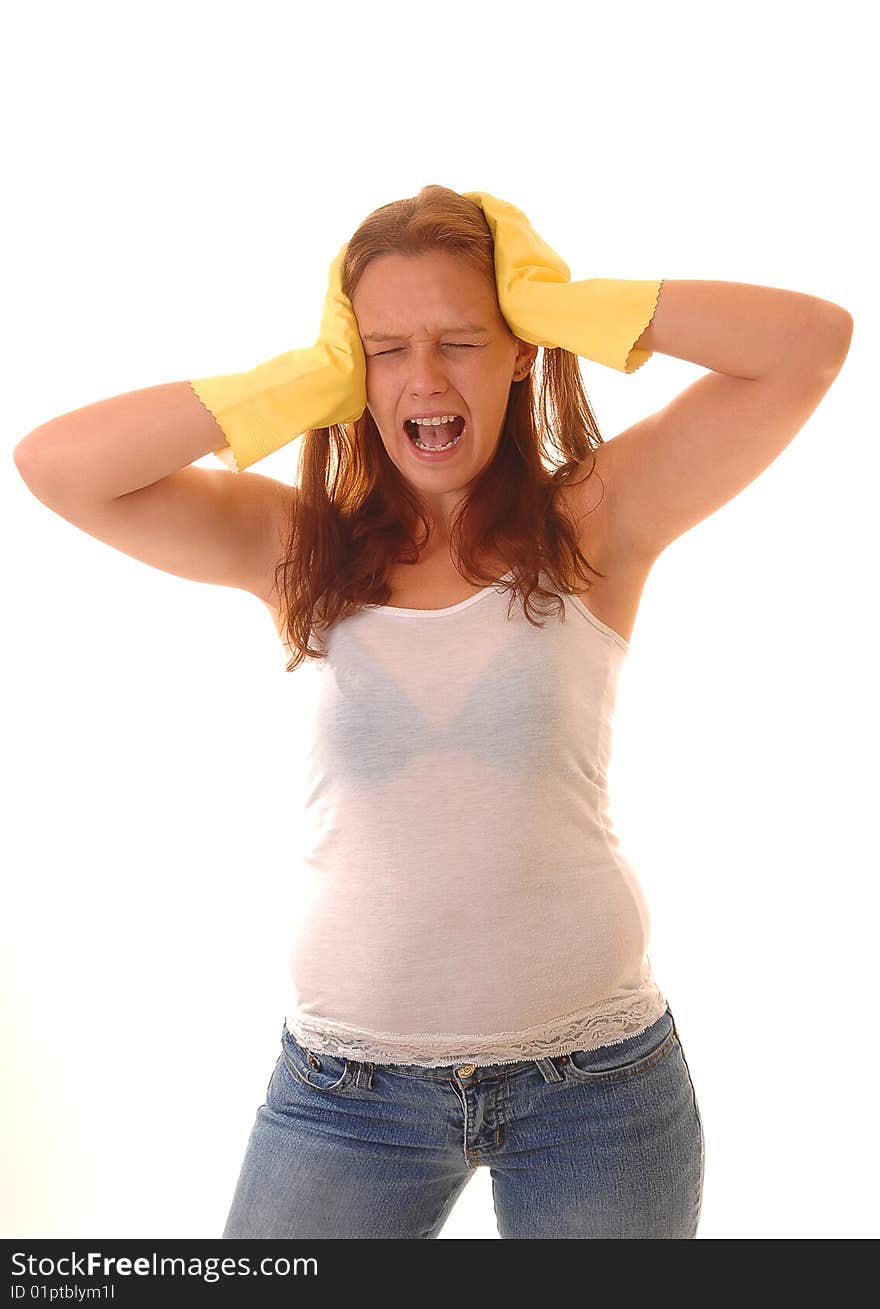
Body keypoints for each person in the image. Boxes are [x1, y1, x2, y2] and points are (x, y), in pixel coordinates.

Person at [13, 185, 852, 1239]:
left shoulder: (591, 521)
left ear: (518, 352)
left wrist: (565, 307)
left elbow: (809, 344)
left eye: (461, 339)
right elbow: (56, 467)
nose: (423, 378)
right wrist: (298, 382)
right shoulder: (296, 547)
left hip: (596, 1091)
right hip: (347, 1100)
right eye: (384, 349)